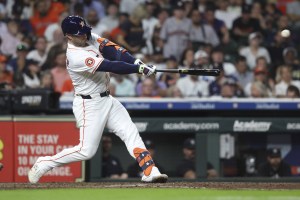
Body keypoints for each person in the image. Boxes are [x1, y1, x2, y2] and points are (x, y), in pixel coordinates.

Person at [28, 15, 168, 183]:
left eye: (85, 31)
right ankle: (45, 163)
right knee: (86, 151)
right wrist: (139, 69)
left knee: (130, 131)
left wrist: (137, 62)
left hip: (106, 98)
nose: (85, 35)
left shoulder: (88, 37)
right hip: (89, 104)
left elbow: (114, 51)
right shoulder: (75, 56)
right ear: (69, 36)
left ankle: (150, 170)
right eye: (80, 34)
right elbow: (111, 65)